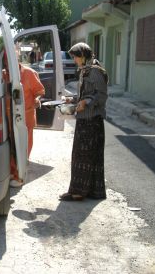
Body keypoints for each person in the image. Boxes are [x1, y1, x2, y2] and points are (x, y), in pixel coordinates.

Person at [59, 42, 108, 201]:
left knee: (87, 157)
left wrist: (86, 103)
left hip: (92, 121)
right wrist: (71, 99)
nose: (74, 60)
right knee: (80, 156)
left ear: (83, 56)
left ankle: (80, 192)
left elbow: (101, 96)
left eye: (75, 57)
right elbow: (84, 94)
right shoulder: (85, 71)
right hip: (83, 120)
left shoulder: (96, 72)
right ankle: (81, 191)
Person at [2, 51, 45, 188]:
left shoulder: (29, 73)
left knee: (24, 146)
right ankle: (13, 172)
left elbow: (40, 92)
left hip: (25, 118)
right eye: (6, 60)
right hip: (8, 118)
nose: (8, 63)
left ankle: (20, 176)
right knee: (11, 146)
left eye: (11, 60)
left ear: (17, 59)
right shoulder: (3, 74)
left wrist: (37, 100)